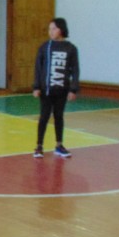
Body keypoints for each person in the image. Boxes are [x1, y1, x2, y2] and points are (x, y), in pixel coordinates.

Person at [31, 18, 80, 159]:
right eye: (49, 29)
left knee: (59, 116)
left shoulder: (71, 48)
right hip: (46, 90)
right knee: (44, 116)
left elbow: (75, 70)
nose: (51, 32)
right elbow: (38, 68)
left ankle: (59, 145)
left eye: (54, 28)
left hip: (62, 90)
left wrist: (73, 89)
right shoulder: (45, 47)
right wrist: (36, 86)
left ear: (61, 29)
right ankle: (39, 146)